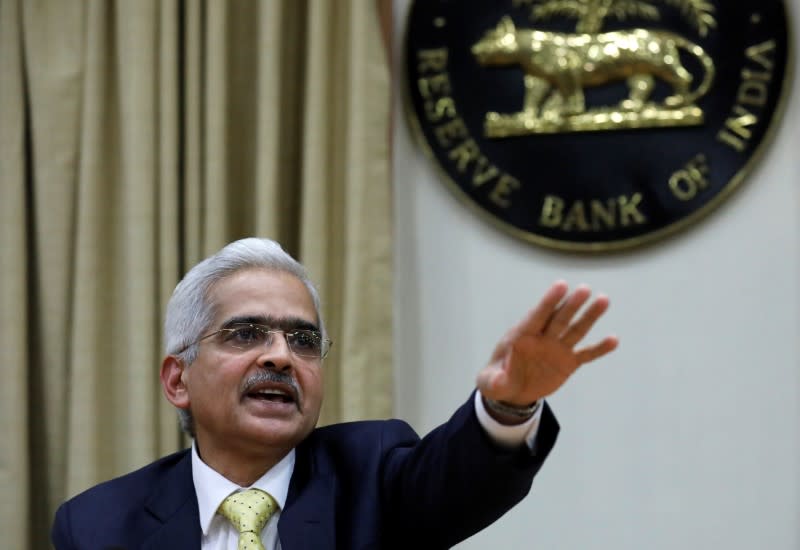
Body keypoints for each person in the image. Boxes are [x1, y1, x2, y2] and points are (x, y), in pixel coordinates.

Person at [51, 237, 618, 550]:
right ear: (178, 380)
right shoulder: (100, 526)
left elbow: (461, 477)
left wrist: (507, 406)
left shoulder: (374, 476)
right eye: (247, 333)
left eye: (302, 340)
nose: (279, 355)